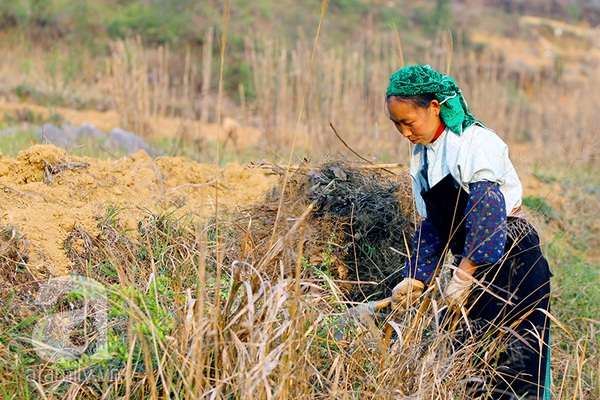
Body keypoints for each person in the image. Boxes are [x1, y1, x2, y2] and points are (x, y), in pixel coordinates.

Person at [385, 65, 552, 399]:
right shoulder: (422, 157)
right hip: (472, 265)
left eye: (408, 121)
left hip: (510, 262)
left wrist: (463, 278)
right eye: (396, 124)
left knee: (514, 372)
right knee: (470, 369)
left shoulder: (473, 142)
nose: (404, 132)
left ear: (434, 107)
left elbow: (487, 214)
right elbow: (433, 225)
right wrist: (417, 276)